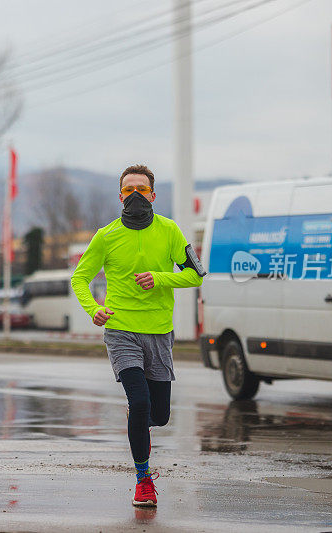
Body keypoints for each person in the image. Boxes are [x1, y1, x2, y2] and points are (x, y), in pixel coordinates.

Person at [70, 164, 205, 507]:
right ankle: (143, 480)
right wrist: (93, 309)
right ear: (120, 197)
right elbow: (79, 278)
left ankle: (138, 418)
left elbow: (195, 276)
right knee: (140, 401)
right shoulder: (106, 235)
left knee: (158, 416)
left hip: (159, 333)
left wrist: (160, 278)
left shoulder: (170, 231)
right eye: (128, 189)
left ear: (153, 195)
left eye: (141, 189)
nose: (134, 195)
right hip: (121, 330)